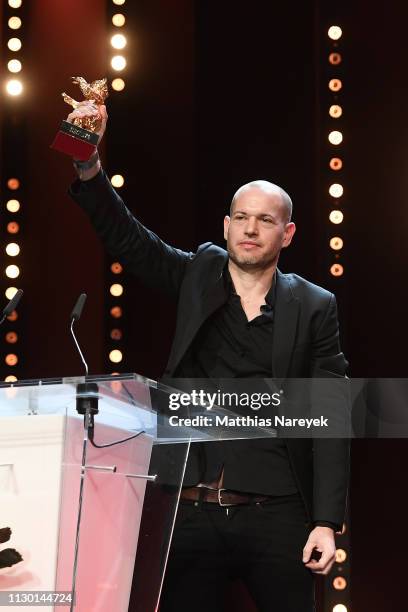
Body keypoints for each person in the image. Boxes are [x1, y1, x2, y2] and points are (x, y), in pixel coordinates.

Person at [67, 102, 349, 612]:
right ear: (226, 226)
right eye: (241, 217)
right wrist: (88, 165)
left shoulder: (313, 306)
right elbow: (133, 243)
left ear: (287, 234)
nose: (250, 228)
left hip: (277, 512)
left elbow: (331, 419)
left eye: (265, 220)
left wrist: (327, 521)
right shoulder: (199, 273)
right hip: (190, 511)